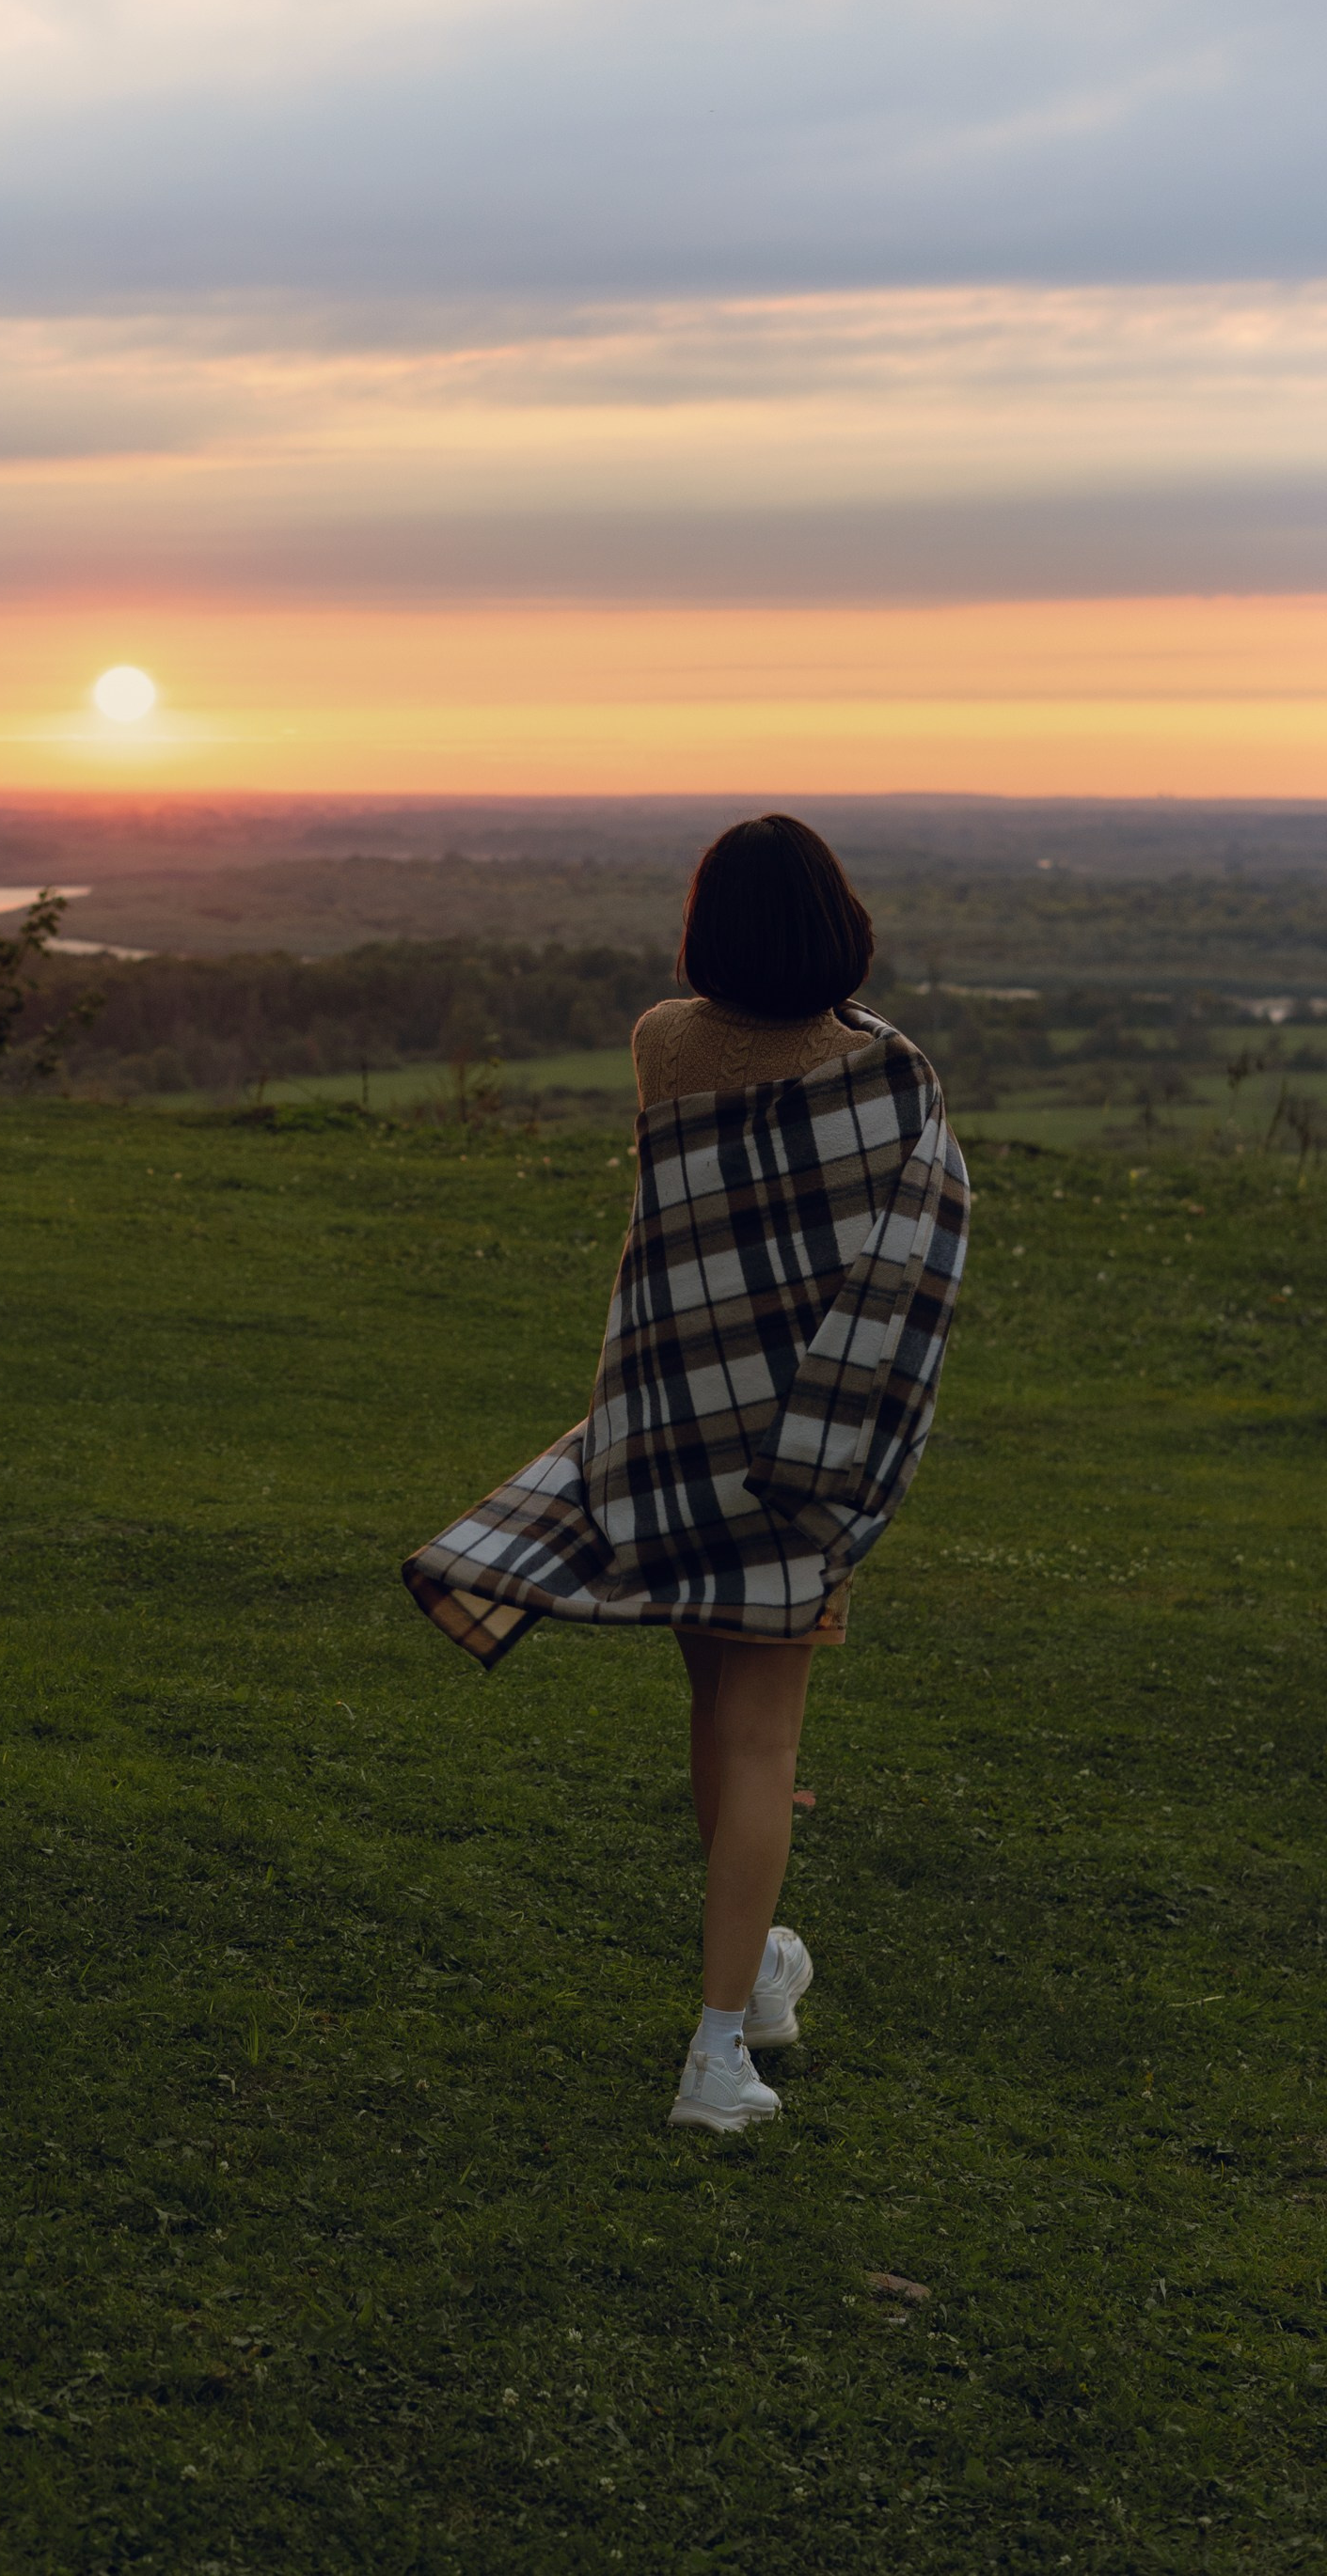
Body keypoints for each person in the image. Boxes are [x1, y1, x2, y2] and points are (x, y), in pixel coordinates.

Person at [403, 814, 968, 2136]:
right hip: (806, 1454)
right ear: (842, 927)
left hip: (672, 1434)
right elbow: (911, 1274)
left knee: (716, 1725)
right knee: (767, 1745)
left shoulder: (665, 1044)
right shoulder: (892, 1078)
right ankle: (718, 2058)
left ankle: (761, 1974)